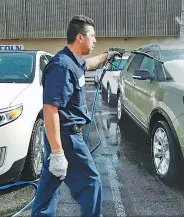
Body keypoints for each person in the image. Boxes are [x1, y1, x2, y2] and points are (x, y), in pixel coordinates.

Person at [31, 15, 121, 217]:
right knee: (91, 184)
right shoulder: (61, 67)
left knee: (50, 184)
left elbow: (89, 64)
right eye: (93, 36)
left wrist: (108, 55)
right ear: (80, 37)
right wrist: (57, 152)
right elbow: (50, 109)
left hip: (62, 135)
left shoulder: (73, 62)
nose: (95, 40)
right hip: (66, 137)